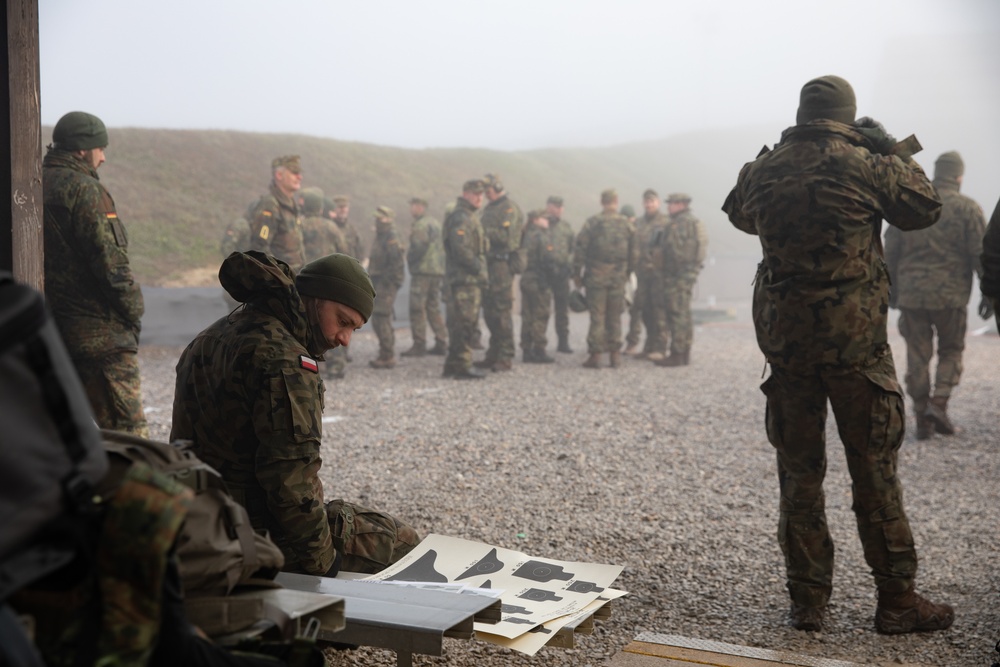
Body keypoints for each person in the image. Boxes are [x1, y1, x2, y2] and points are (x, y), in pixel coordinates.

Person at [722, 74, 953, 634]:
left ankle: (808, 603)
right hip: (857, 350)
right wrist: (888, 147)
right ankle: (897, 602)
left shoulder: (764, 169)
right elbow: (924, 207)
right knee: (874, 473)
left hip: (788, 348)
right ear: (850, 118)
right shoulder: (867, 163)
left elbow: (738, 214)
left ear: (799, 114)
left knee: (799, 477)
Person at [171, 251, 420, 575]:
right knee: (401, 543)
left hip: (191, 518)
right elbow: (290, 484)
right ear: (314, 299)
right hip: (248, 533)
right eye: (342, 321)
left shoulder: (214, 333)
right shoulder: (286, 361)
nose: (344, 339)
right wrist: (323, 565)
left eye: (354, 330)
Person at [42, 111, 149, 437]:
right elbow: (113, 269)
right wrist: (134, 315)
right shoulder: (87, 191)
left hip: (54, 335)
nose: (103, 156)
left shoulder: (35, 183)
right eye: (99, 148)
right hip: (101, 341)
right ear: (81, 150)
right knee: (131, 441)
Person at [884, 151, 987, 439]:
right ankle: (939, 403)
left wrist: (890, 289)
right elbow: (980, 254)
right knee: (951, 350)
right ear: (959, 176)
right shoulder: (968, 208)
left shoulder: (910, 206)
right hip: (950, 297)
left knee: (917, 356)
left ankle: (921, 417)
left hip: (912, 296)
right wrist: (989, 292)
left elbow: (890, 249)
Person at [572, 188, 637, 369]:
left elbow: (580, 249)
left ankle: (596, 355)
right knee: (614, 317)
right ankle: (615, 356)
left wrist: (577, 274)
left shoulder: (593, 223)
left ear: (602, 202)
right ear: (616, 201)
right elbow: (635, 252)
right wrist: (626, 272)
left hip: (596, 277)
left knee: (597, 317)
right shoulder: (626, 224)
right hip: (618, 278)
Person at [475, 174, 524, 372]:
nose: (486, 194)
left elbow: (507, 239)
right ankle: (493, 353)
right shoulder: (490, 208)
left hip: (501, 268)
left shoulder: (509, 209)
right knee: (489, 312)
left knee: (502, 312)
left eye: (488, 189)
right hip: (488, 266)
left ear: (497, 186)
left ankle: (506, 355)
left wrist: (481, 232)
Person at [654, 193, 709, 367]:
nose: (668, 207)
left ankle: (676, 354)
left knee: (676, 313)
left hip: (677, 275)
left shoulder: (679, 224)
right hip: (688, 274)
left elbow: (674, 251)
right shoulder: (694, 222)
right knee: (684, 313)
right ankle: (684, 353)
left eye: (671, 204)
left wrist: (662, 261)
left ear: (681, 204)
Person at [443, 180, 489, 379]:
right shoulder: (461, 217)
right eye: (475, 193)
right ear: (465, 194)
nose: (479, 197)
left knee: (461, 321)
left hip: (467, 279)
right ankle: (462, 364)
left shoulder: (469, 215)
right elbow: (461, 249)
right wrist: (478, 268)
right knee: (465, 322)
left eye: (482, 194)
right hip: (464, 279)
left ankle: (453, 363)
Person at [624, 189, 668, 360]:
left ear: (658, 203)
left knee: (659, 311)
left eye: (652, 201)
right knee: (645, 310)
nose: (649, 204)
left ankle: (661, 347)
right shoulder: (639, 223)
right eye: (646, 202)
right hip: (641, 274)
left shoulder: (665, 222)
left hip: (658, 274)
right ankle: (649, 346)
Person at [402, 197, 448, 357]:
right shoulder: (435, 223)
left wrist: (411, 260)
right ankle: (442, 341)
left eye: (413, 206)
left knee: (417, 308)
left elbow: (418, 246)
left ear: (420, 207)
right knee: (433, 307)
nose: (411, 209)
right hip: (437, 271)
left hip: (423, 271)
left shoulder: (421, 225)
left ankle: (419, 343)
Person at [324, 194, 362, 379]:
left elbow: (358, 253)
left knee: (346, 319)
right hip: (329, 278)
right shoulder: (327, 227)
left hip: (346, 278)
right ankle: (331, 357)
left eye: (345, 209)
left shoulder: (352, 231)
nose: (342, 212)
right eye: (339, 209)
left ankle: (342, 354)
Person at [247, 155, 306, 272]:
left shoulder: (291, 206)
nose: (299, 177)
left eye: (299, 173)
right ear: (279, 175)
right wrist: (279, 276)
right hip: (280, 281)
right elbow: (260, 248)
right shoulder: (270, 205)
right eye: (294, 173)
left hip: (294, 277)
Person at [367, 206, 406, 369]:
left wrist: (387, 283)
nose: (378, 220)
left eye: (381, 218)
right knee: (380, 317)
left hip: (386, 282)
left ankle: (387, 355)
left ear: (388, 219)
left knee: (381, 316)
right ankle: (386, 352)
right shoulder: (381, 235)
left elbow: (396, 263)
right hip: (378, 280)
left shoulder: (391, 236)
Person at [519, 210, 556, 363]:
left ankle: (526, 349)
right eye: (544, 218)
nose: (547, 221)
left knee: (527, 315)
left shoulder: (525, 235)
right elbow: (547, 260)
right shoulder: (541, 236)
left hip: (526, 278)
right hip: (539, 280)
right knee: (540, 314)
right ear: (535, 220)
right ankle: (539, 349)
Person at [543, 196, 576, 353]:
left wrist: (568, 266)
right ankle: (538, 342)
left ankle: (563, 341)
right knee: (541, 310)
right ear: (548, 207)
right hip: (544, 274)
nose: (557, 209)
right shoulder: (541, 225)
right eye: (554, 206)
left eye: (559, 206)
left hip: (562, 275)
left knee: (562, 309)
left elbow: (573, 250)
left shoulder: (566, 227)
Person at [299, 186, 346, 263]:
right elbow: (343, 250)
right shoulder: (330, 226)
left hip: (304, 270)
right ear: (321, 209)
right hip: (327, 270)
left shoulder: (298, 225)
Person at [981, 197, 1000, 331]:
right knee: (951, 349)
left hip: (911, 293)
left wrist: (989, 292)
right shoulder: (968, 208)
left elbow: (991, 248)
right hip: (953, 293)